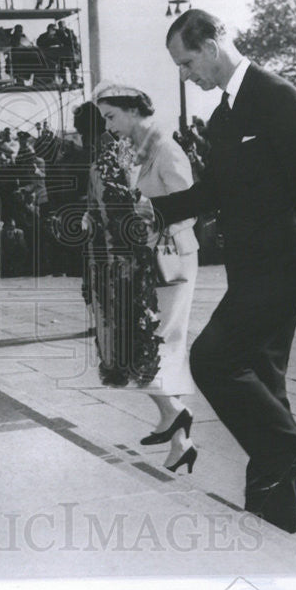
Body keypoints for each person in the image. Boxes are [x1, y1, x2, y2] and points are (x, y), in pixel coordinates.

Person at [149, 8, 296, 534]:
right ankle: (276, 514)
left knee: (212, 359)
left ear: (211, 46)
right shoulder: (224, 117)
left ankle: (289, 445)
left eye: (187, 62)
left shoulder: (276, 95)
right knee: (263, 383)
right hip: (250, 269)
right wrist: (157, 209)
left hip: (285, 268)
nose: (187, 75)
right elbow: (216, 191)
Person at [91, 87, 201, 475]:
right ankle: (179, 440)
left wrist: (152, 216)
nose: (108, 126)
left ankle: (175, 413)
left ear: (134, 110)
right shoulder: (133, 152)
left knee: (154, 346)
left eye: (111, 116)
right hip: (148, 262)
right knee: (147, 346)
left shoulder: (167, 149)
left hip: (172, 262)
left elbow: (191, 208)